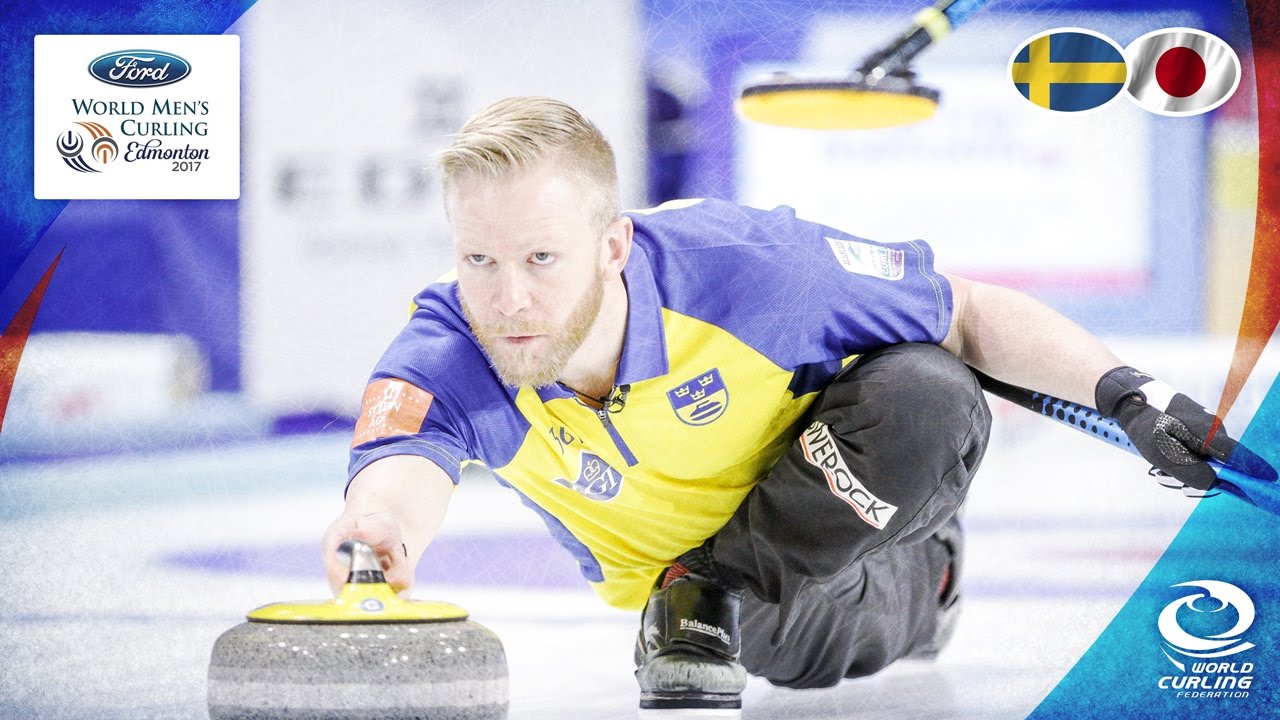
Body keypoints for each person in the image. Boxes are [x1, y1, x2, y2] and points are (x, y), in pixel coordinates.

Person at [321, 96, 1271, 714]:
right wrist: (378, 538)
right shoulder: (453, 343)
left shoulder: (754, 272)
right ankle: (708, 592)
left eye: (540, 259)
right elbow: (400, 471)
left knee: (927, 393)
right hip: (782, 617)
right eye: (478, 259)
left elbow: (968, 311)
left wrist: (1132, 395)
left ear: (613, 246)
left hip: (836, 507)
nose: (509, 298)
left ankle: (866, 580)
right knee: (774, 623)